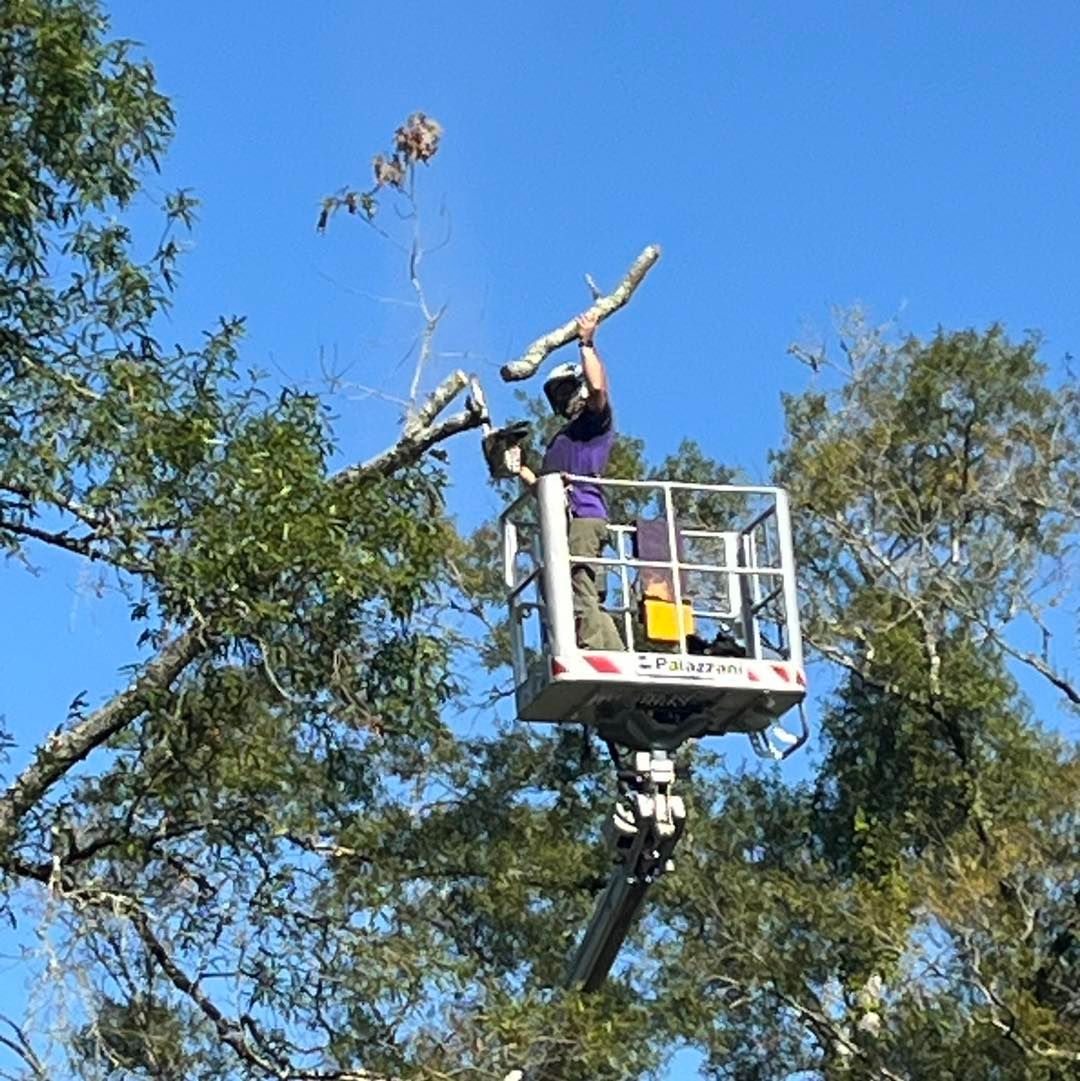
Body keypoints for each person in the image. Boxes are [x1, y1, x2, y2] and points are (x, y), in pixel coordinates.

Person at [516, 314, 623, 651]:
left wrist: (586, 343)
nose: (562, 400)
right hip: (563, 520)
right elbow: (543, 491)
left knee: (578, 581)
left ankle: (591, 650)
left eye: (565, 390)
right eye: (556, 395)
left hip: (584, 514)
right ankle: (612, 652)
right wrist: (520, 469)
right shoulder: (560, 442)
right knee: (577, 588)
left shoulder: (592, 423)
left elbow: (598, 388)